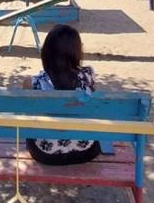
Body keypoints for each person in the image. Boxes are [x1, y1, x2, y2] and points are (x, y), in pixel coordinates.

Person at [24, 24, 102, 165]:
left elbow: (27, 114)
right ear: (76, 51)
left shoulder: (33, 83)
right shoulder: (88, 75)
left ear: (46, 52)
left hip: (45, 153)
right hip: (86, 150)